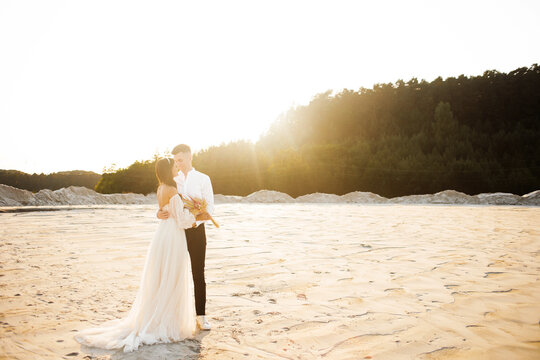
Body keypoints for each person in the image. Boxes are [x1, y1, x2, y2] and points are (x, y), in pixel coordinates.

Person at [74, 157, 211, 352]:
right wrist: (199, 216)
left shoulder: (161, 188)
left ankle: (160, 316)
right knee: (172, 277)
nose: (176, 168)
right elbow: (181, 220)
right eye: (174, 166)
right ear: (167, 170)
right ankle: (167, 322)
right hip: (173, 237)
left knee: (162, 278)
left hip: (162, 235)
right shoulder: (171, 190)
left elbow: (164, 210)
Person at [157, 144, 214, 331]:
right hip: (176, 233)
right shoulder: (174, 178)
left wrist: (196, 220)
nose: (178, 164)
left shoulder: (203, 179)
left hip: (196, 231)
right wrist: (159, 213)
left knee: (198, 273)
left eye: (180, 160)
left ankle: (201, 316)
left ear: (190, 157)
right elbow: (166, 201)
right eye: (175, 161)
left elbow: (210, 208)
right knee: (173, 274)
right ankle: (171, 316)